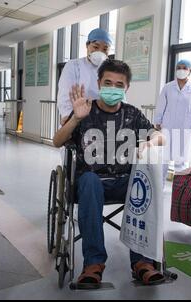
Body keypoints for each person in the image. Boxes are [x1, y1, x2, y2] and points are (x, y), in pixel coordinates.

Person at [53, 59, 166, 285]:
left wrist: (151, 142)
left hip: (124, 182)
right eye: (108, 83)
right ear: (99, 82)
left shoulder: (132, 114)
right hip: (91, 184)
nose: (112, 89)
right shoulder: (85, 110)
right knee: (91, 181)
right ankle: (93, 263)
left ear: (126, 89)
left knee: (146, 183)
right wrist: (75, 118)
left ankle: (142, 262)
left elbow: (159, 136)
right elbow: (57, 141)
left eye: (118, 85)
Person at [154, 59, 191, 180]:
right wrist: (158, 121)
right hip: (167, 127)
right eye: (179, 67)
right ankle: (159, 190)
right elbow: (161, 105)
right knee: (163, 160)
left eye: (184, 68)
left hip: (184, 129)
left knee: (181, 162)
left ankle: (180, 192)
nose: (181, 70)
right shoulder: (168, 87)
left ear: (190, 71)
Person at [57, 28, 112, 123]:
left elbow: (119, 96)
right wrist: (67, 117)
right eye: (95, 47)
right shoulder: (74, 65)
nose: (100, 52)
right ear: (87, 45)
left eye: (105, 49)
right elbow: (65, 94)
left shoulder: (110, 69)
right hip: (77, 118)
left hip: (103, 119)